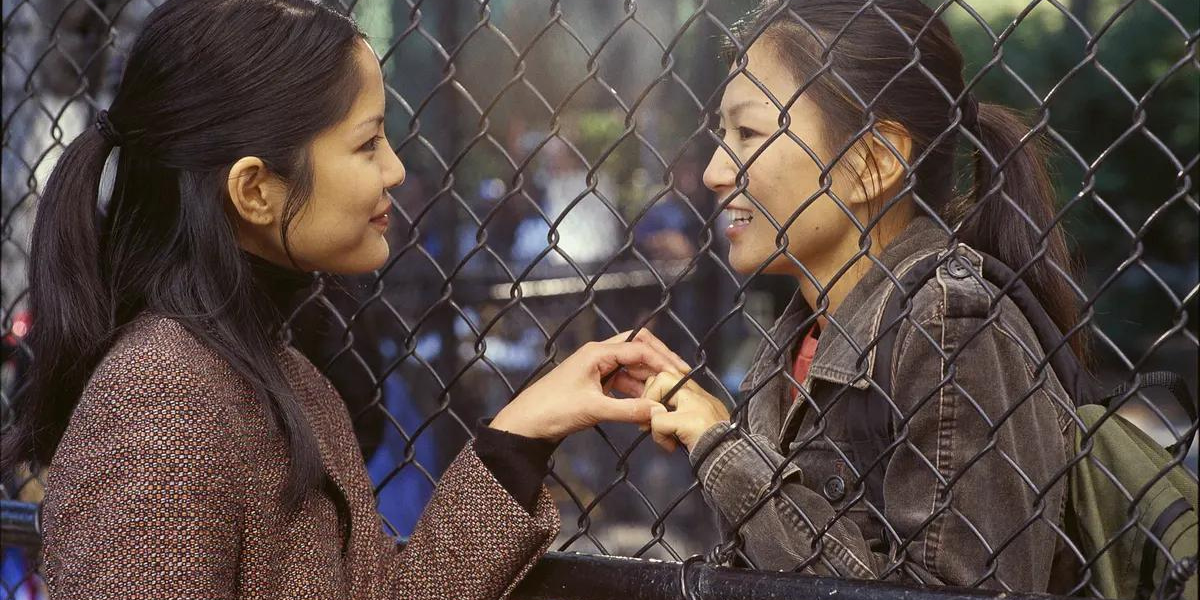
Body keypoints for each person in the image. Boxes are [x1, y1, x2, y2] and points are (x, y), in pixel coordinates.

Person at [0, 0, 689, 597]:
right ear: (254, 190)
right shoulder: (163, 392)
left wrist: (520, 436)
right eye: (367, 143)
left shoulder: (277, 372)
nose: (395, 169)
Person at [644, 0, 1085, 591]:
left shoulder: (950, 325)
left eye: (748, 132)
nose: (716, 171)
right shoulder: (797, 339)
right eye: (721, 134)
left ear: (872, 162)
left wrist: (722, 449)